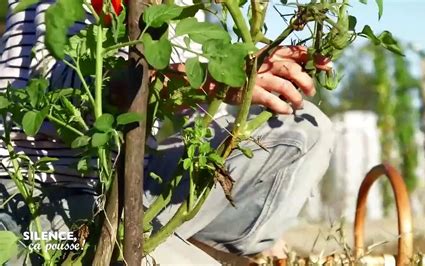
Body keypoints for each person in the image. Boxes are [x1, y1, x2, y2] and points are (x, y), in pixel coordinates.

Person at [0, 0, 335, 264]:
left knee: (303, 128)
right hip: (35, 197)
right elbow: (76, 87)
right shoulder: (51, 6)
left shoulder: (181, 8)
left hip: (129, 185)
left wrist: (245, 71)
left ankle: (191, 246)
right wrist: (206, 80)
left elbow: (183, 99)